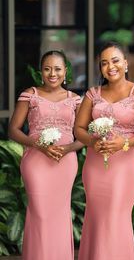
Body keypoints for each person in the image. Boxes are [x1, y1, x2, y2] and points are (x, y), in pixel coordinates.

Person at [75, 41, 134, 260]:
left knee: (115, 218)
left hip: (125, 167)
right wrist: (92, 142)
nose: (111, 66)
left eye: (115, 60)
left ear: (126, 63)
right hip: (95, 165)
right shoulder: (93, 94)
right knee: (98, 218)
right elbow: (78, 129)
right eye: (104, 63)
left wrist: (125, 143)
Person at [8, 50, 83, 260]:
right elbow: (13, 130)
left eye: (57, 69)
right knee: (40, 214)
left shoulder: (75, 100)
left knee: (59, 215)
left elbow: (84, 136)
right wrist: (37, 144)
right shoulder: (30, 95)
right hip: (36, 162)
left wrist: (68, 149)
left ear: (65, 72)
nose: (52, 73)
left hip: (64, 162)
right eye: (47, 68)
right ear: (41, 72)